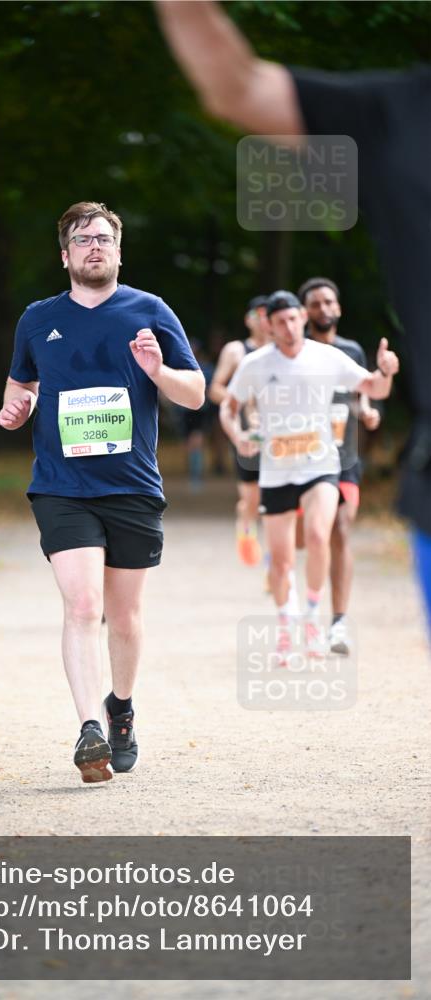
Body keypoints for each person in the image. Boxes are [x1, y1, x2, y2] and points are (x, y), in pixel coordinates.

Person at [155, 0, 431, 624]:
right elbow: (238, 86)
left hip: (330, 463)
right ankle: (297, 610)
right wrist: (239, 430)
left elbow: (367, 388)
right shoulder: (401, 112)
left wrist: (373, 389)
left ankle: (320, 613)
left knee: (327, 531)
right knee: (291, 545)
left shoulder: (335, 355)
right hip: (282, 464)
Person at [0, 201, 205, 783]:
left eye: (105, 238)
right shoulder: (38, 318)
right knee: (83, 605)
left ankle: (121, 710)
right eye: (84, 239)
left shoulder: (149, 311)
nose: (95, 246)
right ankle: (89, 727)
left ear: (118, 250)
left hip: (132, 485)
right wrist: (18, 410)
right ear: (65, 255)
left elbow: (195, 394)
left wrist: (158, 370)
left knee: (125, 615)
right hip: (63, 486)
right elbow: (22, 385)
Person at [220, 290, 399, 665]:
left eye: (292, 319)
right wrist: (239, 438)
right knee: (282, 561)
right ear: (269, 325)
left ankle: (315, 619)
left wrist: (385, 371)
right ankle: (287, 628)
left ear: (302, 318)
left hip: (321, 467)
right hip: (276, 472)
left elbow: (373, 388)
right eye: (279, 322)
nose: (287, 327)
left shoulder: (327, 357)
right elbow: (229, 406)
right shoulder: (255, 363)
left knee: (320, 536)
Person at [298, 277, 382, 654]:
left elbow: (363, 393)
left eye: (329, 302)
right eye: (315, 304)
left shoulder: (351, 350)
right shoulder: (295, 351)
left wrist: (367, 413)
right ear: (305, 312)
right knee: (310, 537)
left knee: (341, 530)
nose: (323, 309)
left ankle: (338, 622)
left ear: (339, 308)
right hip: (301, 458)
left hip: (344, 459)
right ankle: (305, 610)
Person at [209, 295, 271, 567]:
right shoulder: (236, 351)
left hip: (282, 432)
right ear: (249, 319)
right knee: (252, 498)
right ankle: (246, 527)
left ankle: (276, 554)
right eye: (260, 314)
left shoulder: (285, 349)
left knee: (279, 494)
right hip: (247, 432)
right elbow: (215, 389)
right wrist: (242, 399)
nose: (266, 320)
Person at [175, 338, 216, 489]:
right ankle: (194, 474)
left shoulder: (206, 368)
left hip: (200, 412)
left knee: (196, 443)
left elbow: (212, 390)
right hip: (184, 412)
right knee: (188, 446)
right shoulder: (179, 367)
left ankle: (196, 477)